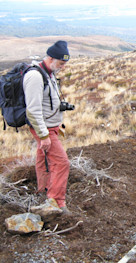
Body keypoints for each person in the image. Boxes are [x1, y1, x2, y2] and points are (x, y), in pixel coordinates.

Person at [24, 40, 71, 215]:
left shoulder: (48, 72)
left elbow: (45, 102)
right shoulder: (36, 76)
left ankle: (43, 189)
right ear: (51, 58)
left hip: (50, 127)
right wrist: (43, 135)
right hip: (43, 128)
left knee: (42, 156)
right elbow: (33, 109)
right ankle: (56, 202)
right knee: (61, 162)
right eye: (60, 63)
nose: (62, 67)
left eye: (64, 64)